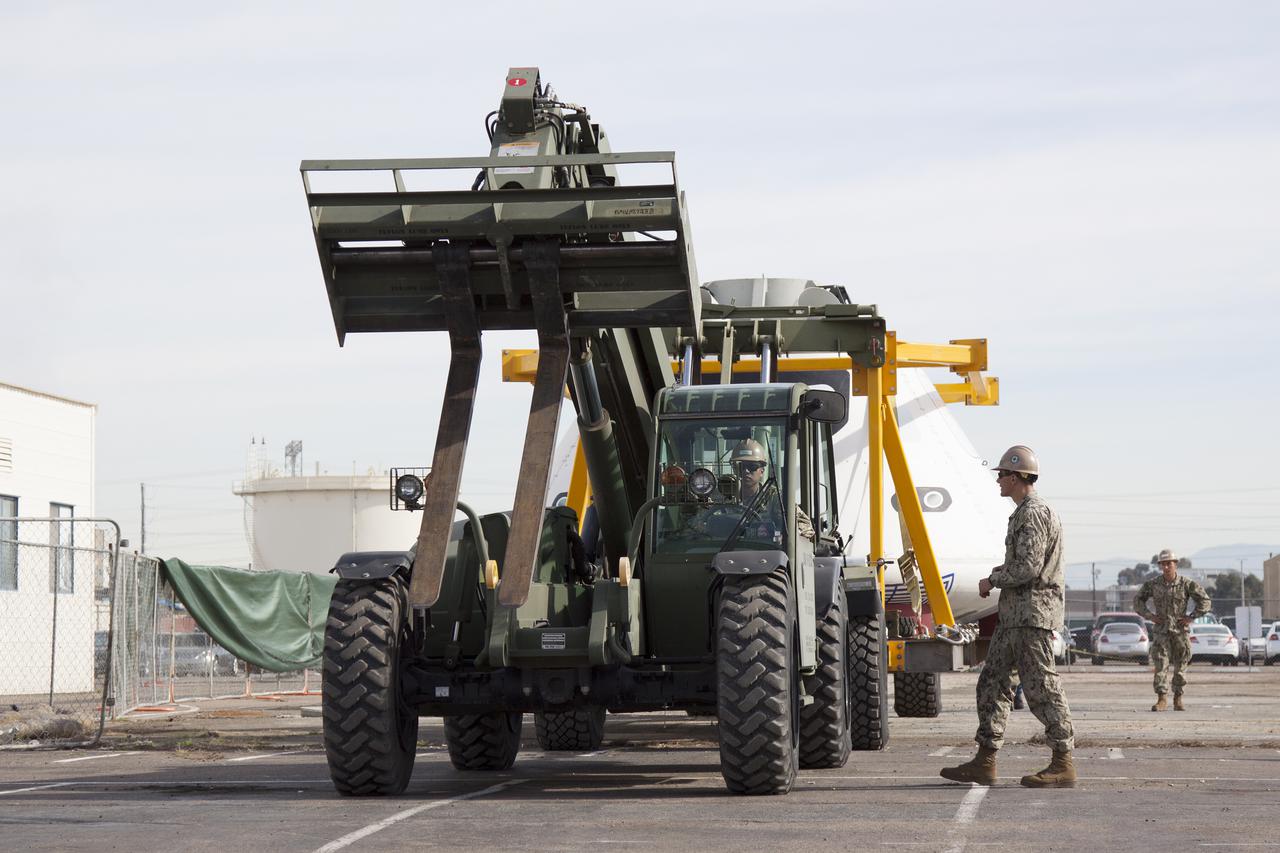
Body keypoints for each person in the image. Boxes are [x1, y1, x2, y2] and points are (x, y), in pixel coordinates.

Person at [940, 445, 1076, 788]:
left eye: (1002, 475)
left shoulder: (1033, 513)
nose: (998, 480)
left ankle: (1063, 762)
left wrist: (993, 580)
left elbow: (1029, 568)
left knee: (1042, 688)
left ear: (1016, 477)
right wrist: (1003, 571)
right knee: (992, 683)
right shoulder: (1023, 513)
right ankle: (985, 760)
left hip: (1032, 616)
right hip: (1015, 617)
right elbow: (1028, 562)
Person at [1132, 549, 1210, 712]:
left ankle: (1178, 698)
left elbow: (1205, 600)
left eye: (1169, 564)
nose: (1166, 567)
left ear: (1175, 564)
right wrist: (1150, 616)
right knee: (1160, 665)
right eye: (1163, 564)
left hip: (1180, 632)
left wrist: (1191, 617)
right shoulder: (1153, 584)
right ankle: (1162, 699)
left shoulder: (1186, 584)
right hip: (1161, 631)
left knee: (1181, 666)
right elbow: (1138, 601)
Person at [730, 439, 814, 542]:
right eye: (741, 466)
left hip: (766, 552)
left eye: (752, 466)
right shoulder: (721, 496)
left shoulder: (775, 497)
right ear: (734, 468)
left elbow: (806, 525)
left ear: (762, 471)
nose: (746, 471)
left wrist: (786, 534)